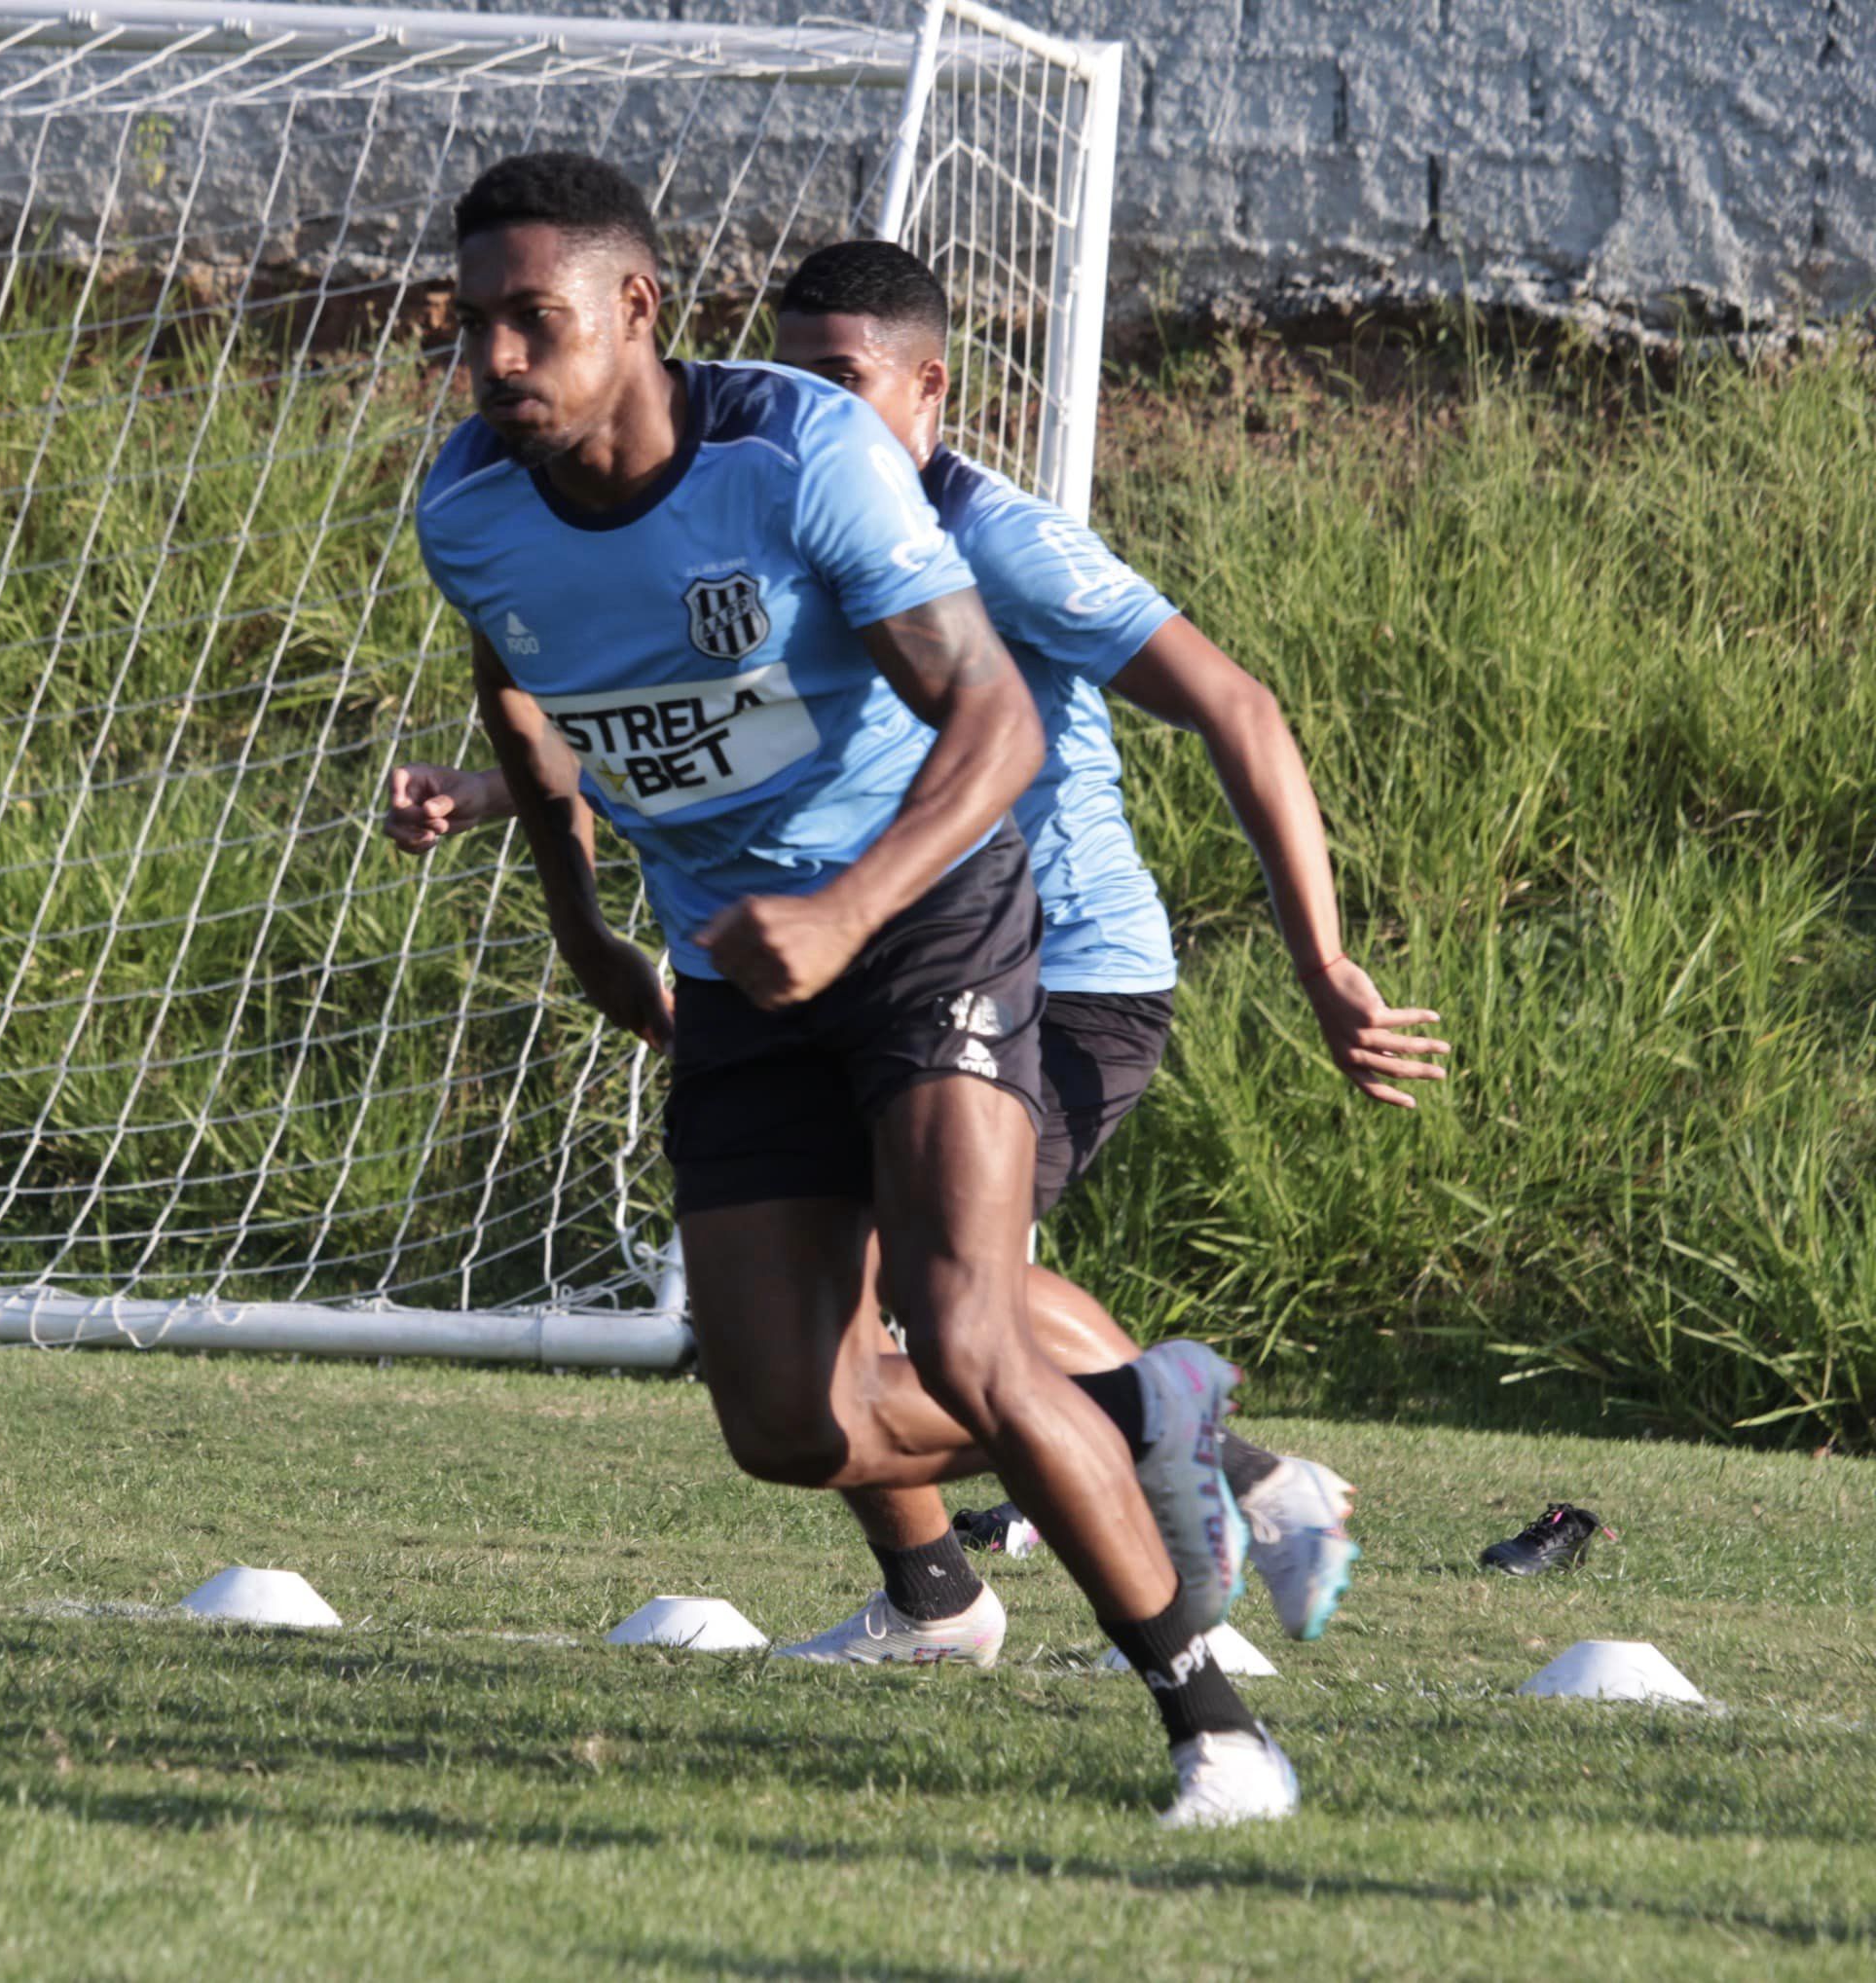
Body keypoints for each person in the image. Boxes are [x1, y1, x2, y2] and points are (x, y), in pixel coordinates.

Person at [393, 239, 1451, 1689]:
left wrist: (1321, 960)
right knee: (824, 1299)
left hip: (1057, 962)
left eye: (841, 380)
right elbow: (703, 705)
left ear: (929, 389)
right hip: (854, 955)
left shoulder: (989, 537)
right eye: (789, 376)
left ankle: (1220, 1498)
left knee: (921, 1286)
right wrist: (496, 790)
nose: (807, 408)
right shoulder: (765, 509)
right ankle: (946, 1589)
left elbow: (1238, 706)